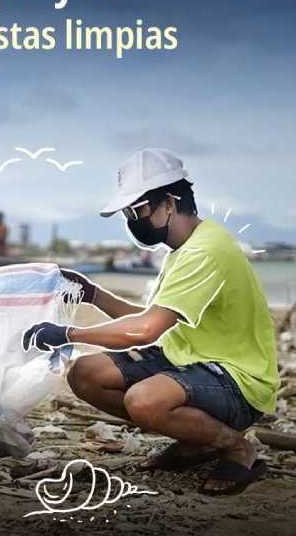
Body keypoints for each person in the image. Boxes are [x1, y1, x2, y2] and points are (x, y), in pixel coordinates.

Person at [23, 148, 278, 496]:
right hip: (187, 360)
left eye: (137, 209)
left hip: (236, 380)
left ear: (170, 202)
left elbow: (144, 331)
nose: (132, 220)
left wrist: (69, 333)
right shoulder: (184, 249)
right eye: (128, 212)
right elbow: (147, 320)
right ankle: (197, 439)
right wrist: (93, 293)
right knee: (86, 375)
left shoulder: (205, 251)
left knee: (145, 401)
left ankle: (237, 447)